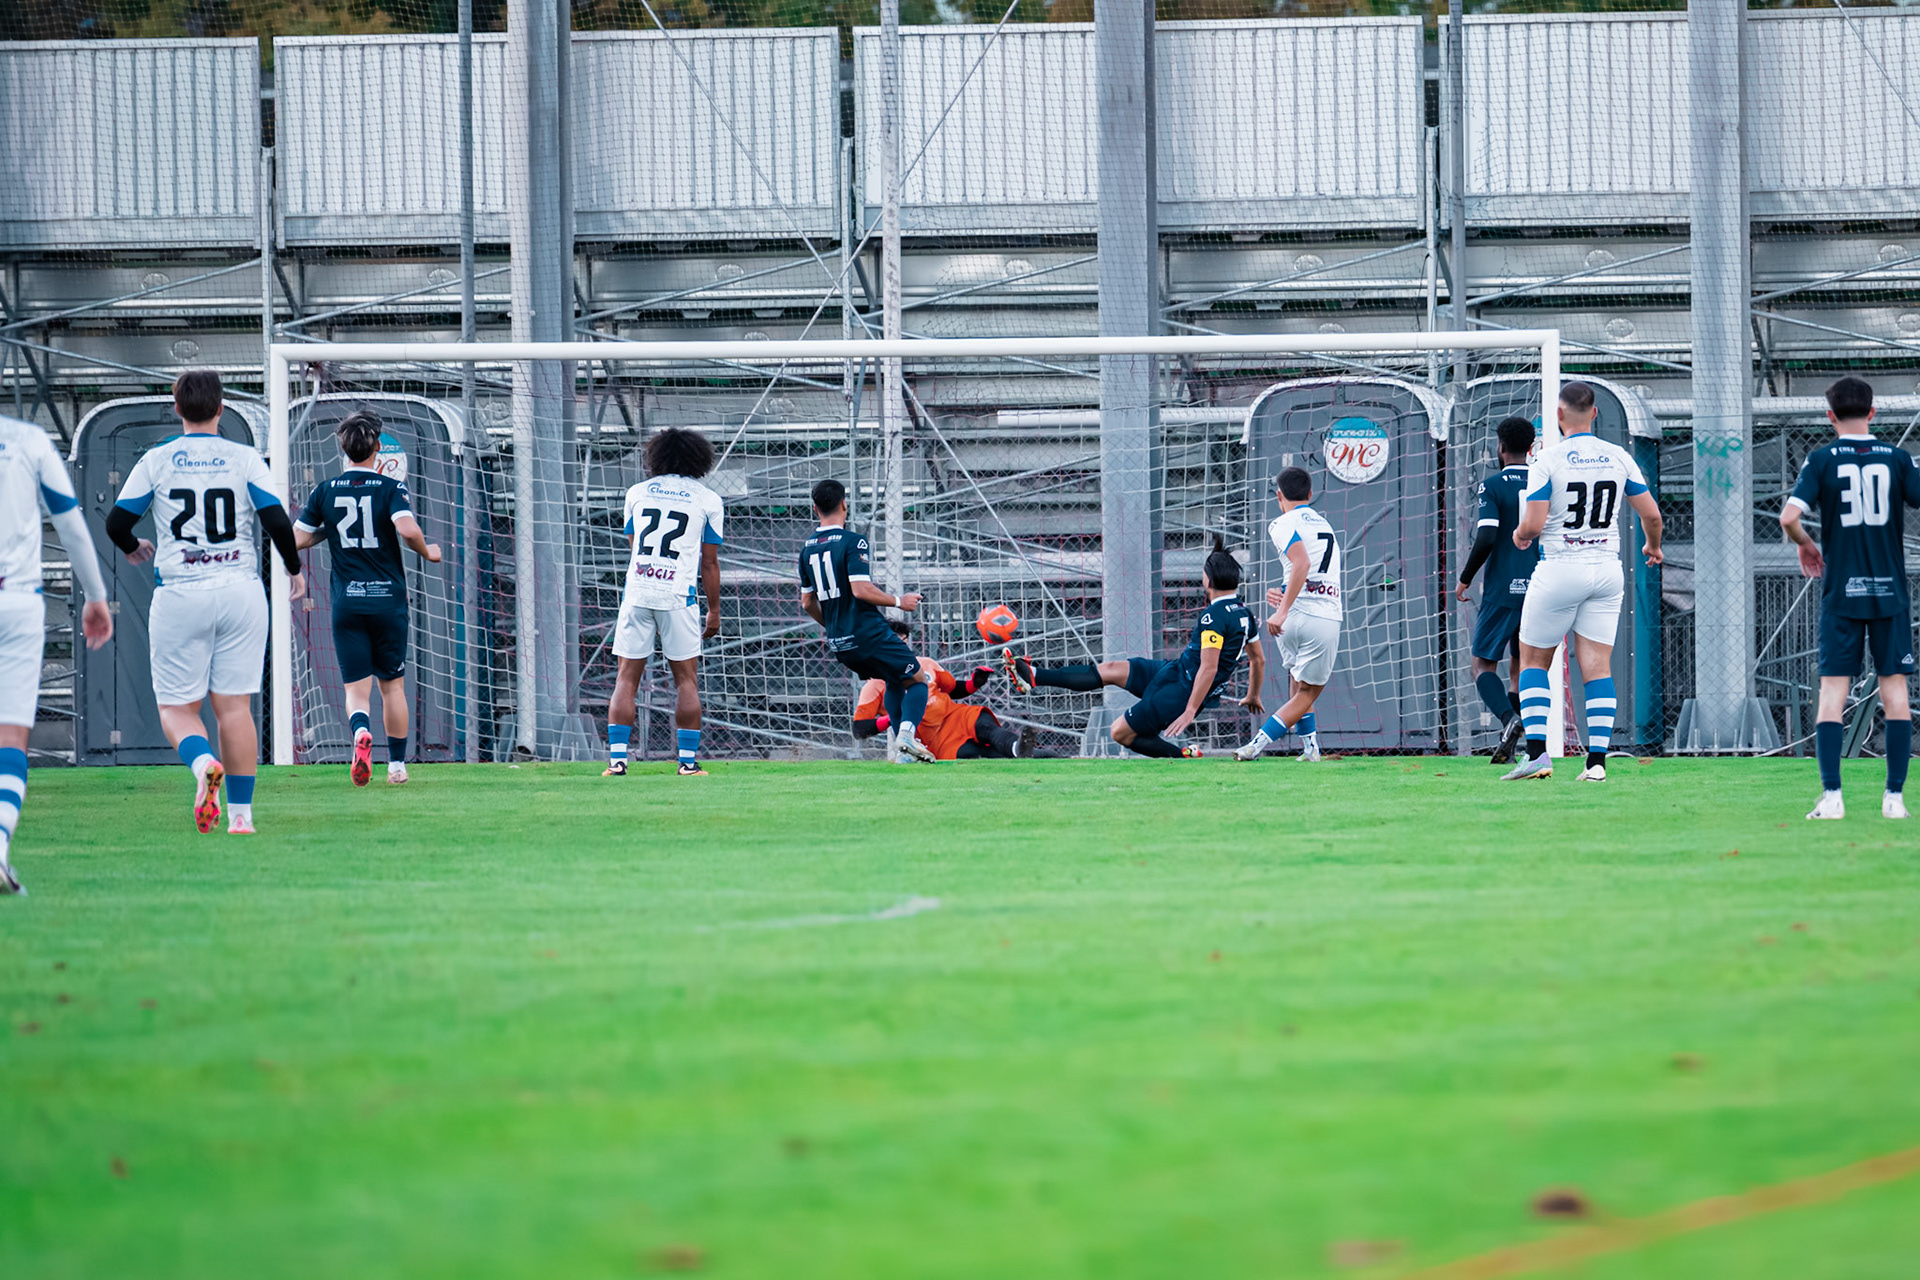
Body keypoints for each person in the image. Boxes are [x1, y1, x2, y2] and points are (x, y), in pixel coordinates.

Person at [105, 369, 306, 834]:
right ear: (221, 409)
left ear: (177, 408)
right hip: (240, 589)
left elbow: (117, 522)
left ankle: (202, 767)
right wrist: (294, 572)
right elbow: (277, 521)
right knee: (233, 708)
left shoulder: (158, 459)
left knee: (178, 709)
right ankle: (241, 818)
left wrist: (134, 548)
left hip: (181, 592)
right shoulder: (244, 456)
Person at [1501, 381, 1662, 783]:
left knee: (1534, 660)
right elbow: (1652, 516)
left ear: (1558, 417)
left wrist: (1521, 535)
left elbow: (1534, 524)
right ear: (1594, 414)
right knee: (1597, 667)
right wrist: (1653, 547)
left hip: (1561, 566)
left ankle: (1537, 755)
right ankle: (1596, 763)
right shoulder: (1618, 456)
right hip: (1606, 570)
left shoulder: (1548, 460)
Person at [1780, 376, 1920, 820]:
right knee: (1894, 694)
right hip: (1889, 593)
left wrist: (1805, 543)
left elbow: (1788, 517)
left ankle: (1833, 798)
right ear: (1873, 413)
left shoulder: (1821, 460)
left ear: (1830, 415)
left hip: (1842, 592)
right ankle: (1894, 799)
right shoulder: (1897, 458)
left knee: (1831, 696)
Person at [1007, 535, 1262, 758]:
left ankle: (1180, 755)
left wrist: (1189, 711)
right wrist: (1253, 694)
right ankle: (1035, 676)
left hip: (1181, 692)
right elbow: (1258, 660)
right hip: (1175, 671)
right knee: (1112, 669)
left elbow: (1208, 668)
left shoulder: (1215, 616)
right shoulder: (1244, 614)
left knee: (1119, 732)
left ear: (1209, 579)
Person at [292, 409, 442, 787]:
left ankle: (361, 732)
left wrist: (331, 531)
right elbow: (407, 530)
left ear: (342, 449)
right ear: (378, 447)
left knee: (355, 691)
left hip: (348, 602)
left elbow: (296, 539)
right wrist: (428, 551)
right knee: (392, 687)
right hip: (387, 601)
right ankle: (396, 766)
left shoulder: (325, 490)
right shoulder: (391, 488)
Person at [0, 413, 114, 894]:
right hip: (17, 602)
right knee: (10, 735)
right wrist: (95, 595)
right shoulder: (26, 440)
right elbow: (69, 521)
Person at [605, 427, 725, 777]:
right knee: (686, 681)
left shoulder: (637, 493)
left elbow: (634, 542)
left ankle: (617, 762)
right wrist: (714, 609)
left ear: (655, 457)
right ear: (699, 459)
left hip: (638, 591)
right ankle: (686, 763)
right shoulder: (707, 499)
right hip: (679, 595)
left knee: (626, 678)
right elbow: (709, 562)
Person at [798, 478, 937, 765]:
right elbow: (861, 590)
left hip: (840, 643)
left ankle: (904, 756)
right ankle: (908, 736)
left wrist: (836, 626)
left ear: (815, 509)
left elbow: (807, 603)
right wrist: (900, 601)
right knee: (918, 681)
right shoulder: (853, 541)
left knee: (895, 679)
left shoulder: (806, 549)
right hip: (867, 633)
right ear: (844, 504)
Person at [1235, 467, 1341, 762]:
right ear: (1310, 495)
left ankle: (1310, 750)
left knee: (1297, 682)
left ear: (1279, 495)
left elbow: (1300, 566)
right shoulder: (1325, 525)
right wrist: (1281, 608)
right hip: (1321, 617)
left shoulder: (1282, 523)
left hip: (1293, 617)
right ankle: (1255, 746)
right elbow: (1306, 565)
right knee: (1307, 694)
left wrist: (1281, 602)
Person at [1455, 416, 1541, 765]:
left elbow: (1487, 535)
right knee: (1522, 664)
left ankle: (1509, 720)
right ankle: (1525, 738)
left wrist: (1465, 577)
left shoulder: (1491, 485)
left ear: (1500, 447)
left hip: (1502, 588)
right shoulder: (1543, 483)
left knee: (1481, 664)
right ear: (1532, 449)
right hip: (1540, 587)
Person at [850, 620, 1038, 759]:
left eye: (904, 641)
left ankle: (1018, 747)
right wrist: (895, 718)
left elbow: (954, 689)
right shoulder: (875, 682)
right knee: (978, 754)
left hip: (955, 715)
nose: (901, 646)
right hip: (935, 739)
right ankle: (1035, 755)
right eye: (895, 641)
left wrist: (975, 682)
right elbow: (859, 729)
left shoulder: (926, 664)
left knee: (986, 726)